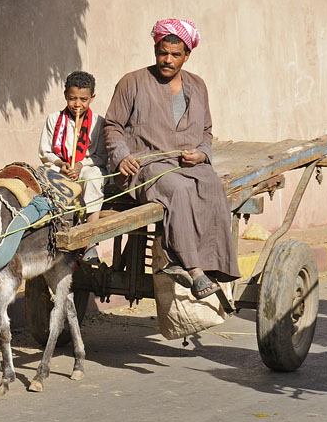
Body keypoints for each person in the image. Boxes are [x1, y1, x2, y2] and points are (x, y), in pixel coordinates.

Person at [103, 19, 240, 300]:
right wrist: (121, 157)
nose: (167, 60)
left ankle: (215, 265)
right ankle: (190, 268)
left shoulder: (198, 86)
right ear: (155, 49)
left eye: (175, 55)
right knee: (178, 190)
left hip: (187, 164)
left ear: (186, 56)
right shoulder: (132, 82)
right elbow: (113, 126)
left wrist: (202, 153)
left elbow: (206, 131)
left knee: (213, 187)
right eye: (162, 52)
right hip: (145, 167)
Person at [39, 70, 107, 225]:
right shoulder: (54, 119)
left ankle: (90, 232)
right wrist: (62, 165)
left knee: (93, 177)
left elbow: (102, 157)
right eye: (72, 98)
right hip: (60, 168)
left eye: (83, 99)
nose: (77, 104)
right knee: (41, 176)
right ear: (65, 95)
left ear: (92, 98)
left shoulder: (99, 123)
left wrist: (80, 165)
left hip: (87, 168)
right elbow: (45, 153)